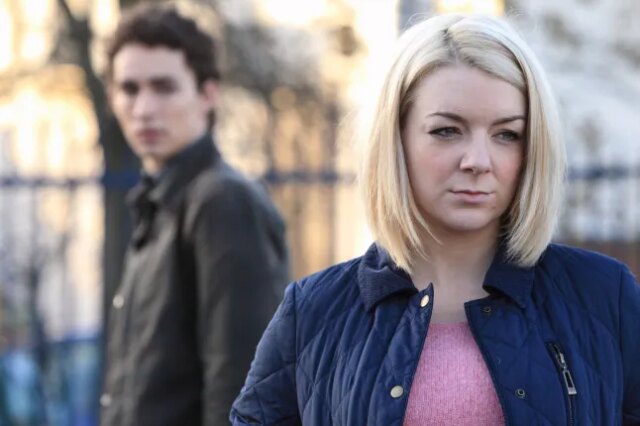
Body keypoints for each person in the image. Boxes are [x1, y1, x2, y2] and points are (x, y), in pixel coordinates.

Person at [230, 13, 640, 426]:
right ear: (395, 139)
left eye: (507, 134)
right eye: (447, 130)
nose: (478, 160)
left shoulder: (604, 296)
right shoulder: (313, 311)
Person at [100, 3, 289, 425]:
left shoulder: (222, 201)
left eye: (164, 87)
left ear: (208, 94)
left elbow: (240, 384)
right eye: (129, 89)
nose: (144, 108)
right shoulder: (157, 205)